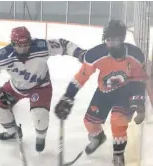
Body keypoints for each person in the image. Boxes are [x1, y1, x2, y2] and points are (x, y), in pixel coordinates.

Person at [0, 26, 86, 152]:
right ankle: (13, 132)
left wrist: (80, 53)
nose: (23, 48)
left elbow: (63, 45)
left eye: (26, 45)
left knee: (40, 117)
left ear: (31, 42)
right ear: (13, 44)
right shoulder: (2, 55)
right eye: (19, 45)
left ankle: (41, 137)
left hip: (40, 86)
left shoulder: (41, 46)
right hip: (15, 87)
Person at [54, 20, 147, 165]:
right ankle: (98, 137)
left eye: (115, 40)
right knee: (89, 123)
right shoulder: (96, 54)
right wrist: (68, 96)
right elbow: (81, 76)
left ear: (122, 39)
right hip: (104, 91)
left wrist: (139, 102)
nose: (111, 43)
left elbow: (140, 78)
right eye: (109, 40)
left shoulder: (135, 54)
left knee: (118, 120)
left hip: (126, 92)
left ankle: (118, 154)